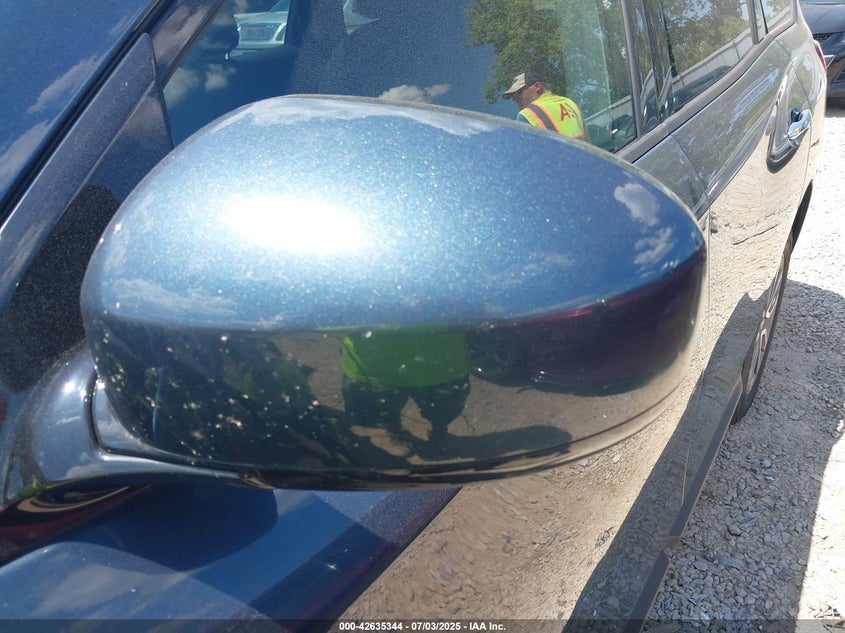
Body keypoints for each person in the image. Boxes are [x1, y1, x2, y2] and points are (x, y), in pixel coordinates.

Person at [503, 72, 590, 141]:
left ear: (537, 86)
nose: (515, 99)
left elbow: (528, 153)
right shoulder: (571, 103)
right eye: (513, 96)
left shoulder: (526, 115)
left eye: (518, 93)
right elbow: (588, 142)